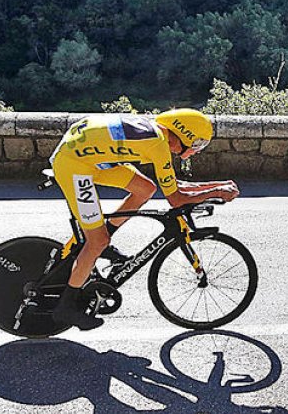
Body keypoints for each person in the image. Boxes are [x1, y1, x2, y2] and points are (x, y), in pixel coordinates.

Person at [48, 108, 238, 330]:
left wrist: (216, 186)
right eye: (197, 144)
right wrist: (215, 193)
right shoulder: (157, 144)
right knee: (96, 242)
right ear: (184, 133)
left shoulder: (155, 134)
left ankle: (106, 234)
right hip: (74, 165)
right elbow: (176, 199)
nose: (196, 151)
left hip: (89, 157)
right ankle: (66, 307)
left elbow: (174, 186)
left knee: (145, 188)